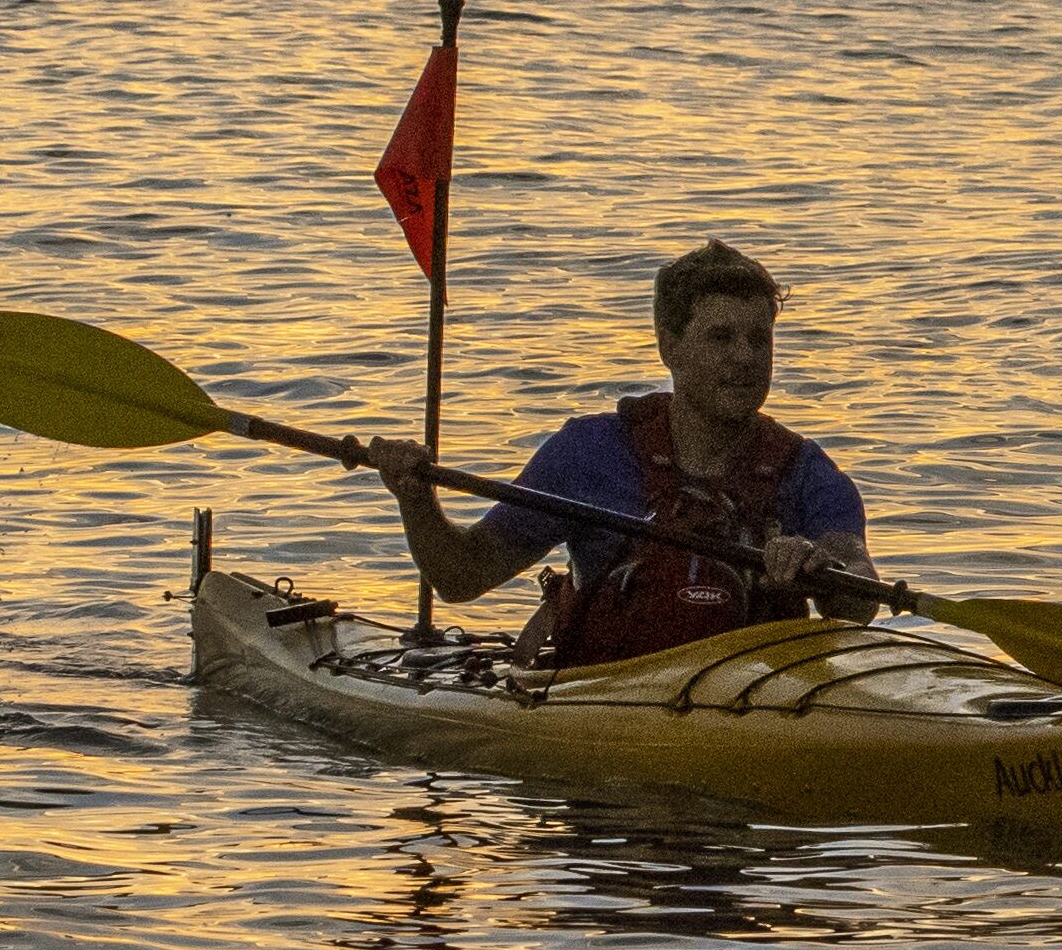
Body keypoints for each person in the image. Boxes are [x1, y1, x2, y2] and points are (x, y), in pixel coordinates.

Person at [363, 235, 869, 667]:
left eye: (760, 339)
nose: (745, 358)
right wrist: (416, 499)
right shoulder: (590, 454)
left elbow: (860, 593)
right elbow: (461, 577)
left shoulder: (805, 471)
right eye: (721, 338)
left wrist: (823, 572)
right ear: (669, 347)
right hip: (603, 697)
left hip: (761, 707)